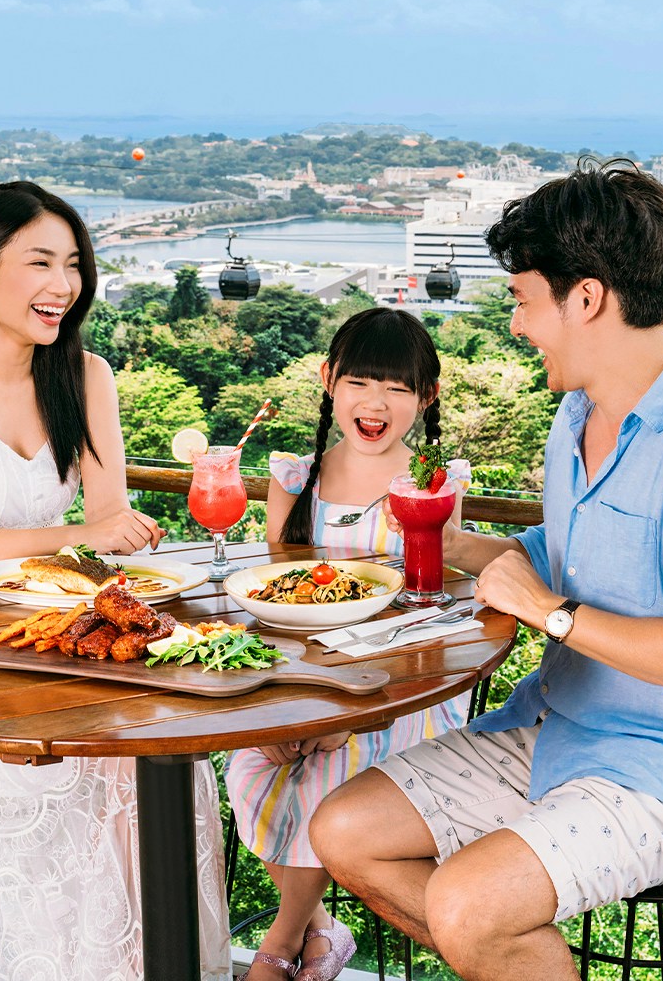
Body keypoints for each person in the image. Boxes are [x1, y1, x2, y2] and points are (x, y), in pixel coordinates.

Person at [309, 161, 663, 981]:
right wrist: (464, 551)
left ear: (587, 299)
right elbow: (564, 557)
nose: (516, 324)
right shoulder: (575, 415)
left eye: (523, 299)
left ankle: (495, 942)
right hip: (560, 729)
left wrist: (551, 613)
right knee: (343, 832)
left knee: (469, 903)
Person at [0, 181, 230, 980]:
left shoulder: (86, 375)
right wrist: (82, 533)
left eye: (72, 264)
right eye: (40, 261)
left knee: (165, 760)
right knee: (57, 785)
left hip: (72, 638)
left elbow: (111, 514)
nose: (64, 284)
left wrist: (116, 536)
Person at [224, 307, 470, 981]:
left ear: (426, 398)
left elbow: (439, 611)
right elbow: (272, 604)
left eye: (397, 388)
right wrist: (293, 710)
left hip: (402, 691)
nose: (376, 402)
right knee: (247, 768)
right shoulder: (295, 477)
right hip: (305, 684)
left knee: (329, 784)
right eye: (361, 381)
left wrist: (360, 711)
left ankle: (279, 946)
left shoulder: (433, 487)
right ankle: (323, 929)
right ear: (330, 381)